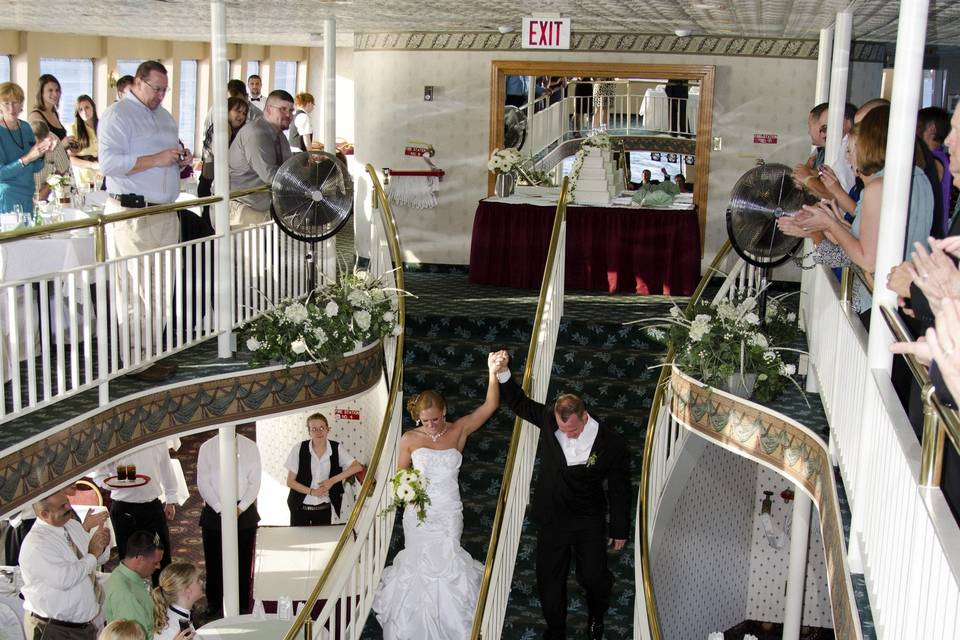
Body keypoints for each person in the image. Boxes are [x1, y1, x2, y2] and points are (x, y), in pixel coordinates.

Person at [495, 352, 631, 640]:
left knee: (592, 577)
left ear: (585, 415)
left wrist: (619, 528)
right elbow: (519, 403)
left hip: (587, 517)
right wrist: (504, 371)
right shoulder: (549, 419)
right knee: (549, 579)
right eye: (562, 428)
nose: (567, 434)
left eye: (573, 429)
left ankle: (596, 615)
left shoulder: (611, 442)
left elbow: (620, 487)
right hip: (553, 515)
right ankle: (555, 630)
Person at [373, 351, 504, 639]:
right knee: (418, 565)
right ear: (417, 417)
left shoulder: (459, 430)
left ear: (444, 412)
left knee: (447, 562)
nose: (430, 425)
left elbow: (491, 405)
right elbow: (397, 478)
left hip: (448, 513)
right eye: (424, 420)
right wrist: (407, 493)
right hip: (418, 516)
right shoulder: (409, 439)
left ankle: (453, 625)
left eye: (434, 419)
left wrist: (492, 372)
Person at [98, 60, 192, 379]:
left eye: (165, 90)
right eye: (156, 89)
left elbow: (168, 158)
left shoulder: (164, 117)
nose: (161, 96)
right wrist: (156, 159)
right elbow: (109, 163)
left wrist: (180, 159)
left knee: (161, 288)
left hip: (164, 211)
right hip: (132, 213)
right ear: (138, 82)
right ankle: (133, 360)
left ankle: (151, 353)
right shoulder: (118, 115)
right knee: (136, 289)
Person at [20, 490, 111, 640]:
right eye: (62, 506)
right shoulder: (37, 544)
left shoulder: (72, 525)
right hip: (54, 629)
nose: (69, 507)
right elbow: (65, 579)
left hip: (82, 626)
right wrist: (93, 554)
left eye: (67, 502)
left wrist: (101, 545)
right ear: (44, 514)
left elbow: (92, 562)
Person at [92, 443, 180, 583]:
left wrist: (171, 499)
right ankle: (133, 598)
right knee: (129, 558)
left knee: (161, 554)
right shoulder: (114, 443)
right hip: (123, 509)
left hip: (152, 507)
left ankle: (163, 598)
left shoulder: (157, 440)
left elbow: (166, 468)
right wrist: (114, 484)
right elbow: (99, 476)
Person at [196, 430, 260, 616]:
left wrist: (240, 508)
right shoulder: (207, 447)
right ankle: (214, 603)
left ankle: (241, 603)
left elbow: (254, 482)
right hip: (216, 509)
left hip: (243, 511)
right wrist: (221, 509)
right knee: (214, 561)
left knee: (243, 559)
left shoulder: (250, 446)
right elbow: (203, 481)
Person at [227, 89, 294, 228]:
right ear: (269, 109)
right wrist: (302, 184)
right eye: (283, 109)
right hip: (242, 207)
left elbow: (289, 167)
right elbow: (270, 175)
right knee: (244, 250)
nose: (288, 115)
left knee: (266, 248)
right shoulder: (255, 133)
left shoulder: (280, 137)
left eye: (291, 110)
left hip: (261, 207)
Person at [285, 413, 364, 526]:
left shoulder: (336, 448)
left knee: (321, 541)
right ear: (309, 432)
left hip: (324, 508)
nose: (318, 432)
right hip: (299, 507)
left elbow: (357, 467)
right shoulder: (298, 449)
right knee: (300, 541)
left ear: (328, 429)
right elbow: (290, 482)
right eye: (314, 429)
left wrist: (331, 481)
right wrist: (312, 492)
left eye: (322, 428)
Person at [0, 81, 55, 212]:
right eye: (6, 103)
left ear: (21, 104)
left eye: (15, 102)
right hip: (8, 196)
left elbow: (36, 167)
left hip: (29, 193)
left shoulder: (25, 127)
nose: (11, 108)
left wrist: (42, 152)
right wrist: (28, 158)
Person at [198, 96, 248, 228]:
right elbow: (221, 156)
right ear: (227, 110)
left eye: (244, 113)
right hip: (212, 183)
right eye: (237, 111)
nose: (241, 116)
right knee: (213, 228)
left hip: (207, 180)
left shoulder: (221, 126)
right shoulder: (224, 127)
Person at [104, 530, 165, 637]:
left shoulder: (122, 573)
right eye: (155, 562)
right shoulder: (127, 597)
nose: (158, 566)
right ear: (140, 559)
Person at [151, 562, 202, 640]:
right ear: (187, 590)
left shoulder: (173, 615)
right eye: (198, 580)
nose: (201, 582)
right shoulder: (176, 631)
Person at [30, 119, 71, 202]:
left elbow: (63, 168)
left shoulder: (54, 140)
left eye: (42, 145)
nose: (38, 149)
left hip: (43, 199)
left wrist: (47, 188)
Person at [28, 74, 74, 145]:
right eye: (50, 90)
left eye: (57, 90)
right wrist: (62, 145)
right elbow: (40, 149)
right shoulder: (36, 116)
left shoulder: (54, 113)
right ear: (41, 93)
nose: (55, 94)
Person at [68, 94, 101, 187]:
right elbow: (70, 158)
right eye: (80, 109)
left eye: (87, 107)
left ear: (93, 108)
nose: (84, 112)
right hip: (83, 176)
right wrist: (91, 165)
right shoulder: (73, 129)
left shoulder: (102, 126)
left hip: (101, 174)